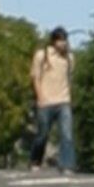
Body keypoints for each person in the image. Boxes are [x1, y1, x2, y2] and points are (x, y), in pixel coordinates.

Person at [29, 28, 75, 172]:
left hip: (63, 100)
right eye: (61, 40)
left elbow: (69, 76)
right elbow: (35, 77)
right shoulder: (42, 55)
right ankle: (35, 160)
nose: (63, 44)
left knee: (66, 134)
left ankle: (67, 165)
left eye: (65, 40)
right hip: (46, 101)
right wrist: (40, 97)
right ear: (54, 41)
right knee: (42, 135)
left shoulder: (69, 58)